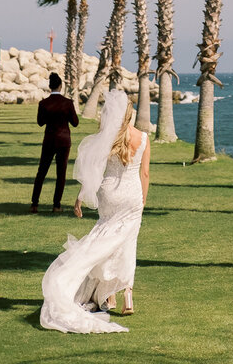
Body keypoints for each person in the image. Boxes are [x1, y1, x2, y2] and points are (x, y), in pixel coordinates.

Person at [40, 89, 150, 334]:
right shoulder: (142, 138)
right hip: (132, 197)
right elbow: (144, 173)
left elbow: (94, 171)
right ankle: (126, 296)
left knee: (103, 241)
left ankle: (107, 296)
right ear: (130, 115)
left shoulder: (107, 137)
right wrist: (143, 200)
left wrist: (80, 197)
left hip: (109, 195)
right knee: (127, 243)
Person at [31, 72, 79, 213]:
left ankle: (34, 204)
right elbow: (75, 123)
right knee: (61, 173)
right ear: (60, 86)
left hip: (49, 140)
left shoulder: (44, 103)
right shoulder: (68, 103)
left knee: (42, 172)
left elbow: (40, 122)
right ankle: (56, 205)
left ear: (50, 86)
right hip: (63, 141)